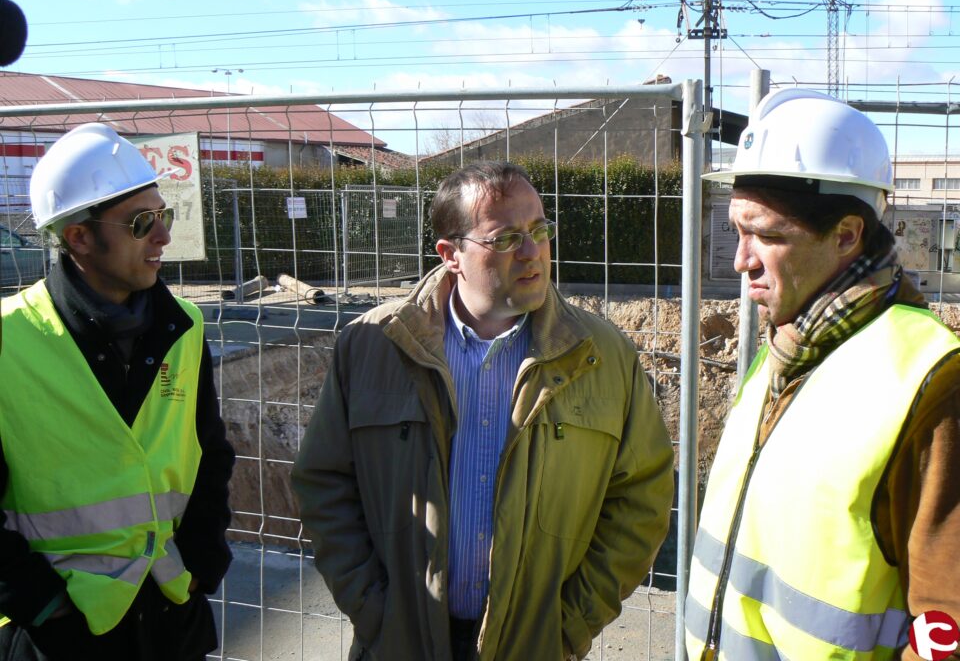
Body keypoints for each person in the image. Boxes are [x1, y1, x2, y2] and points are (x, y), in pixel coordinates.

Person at [292, 161, 674, 661]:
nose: (533, 251)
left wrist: (569, 625)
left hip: (534, 644)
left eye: (540, 230)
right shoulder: (373, 345)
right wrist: (374, 611)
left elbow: (642, 497)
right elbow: (324, 484)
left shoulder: (602, 355)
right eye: (506, 239)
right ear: (451, 255)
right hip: (399, 641)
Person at [685, 89, 960, 661]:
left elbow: (947, 621)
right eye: (737, 230)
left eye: (767, 235)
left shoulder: (932, 379)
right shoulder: (787, 349)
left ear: (846, 235)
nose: (741, 260)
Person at [0, 123, 235, 660]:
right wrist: (41, 604)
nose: (163, 236)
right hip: (57, 636)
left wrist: (203, 563)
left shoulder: (185, 326)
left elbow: (210, 453)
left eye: (163, 215)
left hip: (172, 618)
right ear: (79, 237)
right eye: (140, 222)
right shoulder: (8, 340)